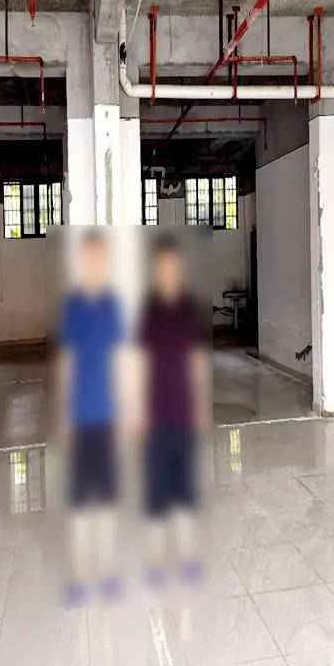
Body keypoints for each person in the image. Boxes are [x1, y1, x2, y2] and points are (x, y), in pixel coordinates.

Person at [137, 234, 210, 585]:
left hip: (183, 414)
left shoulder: (189, 311)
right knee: (156, 494)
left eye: (172, 267)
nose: (167, 273)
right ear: (155, 270)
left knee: (184, 493)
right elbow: (139, 363)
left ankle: (186, 559)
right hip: (154, 415)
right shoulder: (148, 312)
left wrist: (201, 405)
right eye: (161, 267)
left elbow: (197, 361)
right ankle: (154, 563)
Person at [57, 230, 124, 607]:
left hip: (109, 415)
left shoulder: (113, 306)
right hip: (81, 416)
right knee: (81, 500)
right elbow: (67, 361)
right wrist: (66, 415)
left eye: (100, 258)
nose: (94, 264)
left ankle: (108, 573)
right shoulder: (73, 307)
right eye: (89, 258)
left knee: (107, 498)